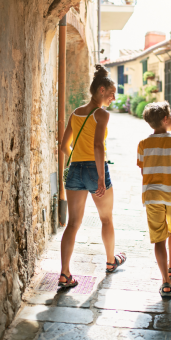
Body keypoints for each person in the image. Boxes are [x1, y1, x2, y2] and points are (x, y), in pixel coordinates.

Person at [58, 64, 127, 288]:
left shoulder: (75, 113)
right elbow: (98, 145)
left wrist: (76, 159)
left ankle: (65, 274)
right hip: (95, 169)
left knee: (72, 224)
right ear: (100, 90)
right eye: (111, 93)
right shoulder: (102, 114)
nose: (113, 97)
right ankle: (110, 261)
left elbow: (63, 146)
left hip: (76, 169)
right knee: (106, 219)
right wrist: (98, 177)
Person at [137, 101, 171, 298]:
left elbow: (144, 170)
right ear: (166, 119)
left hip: (152, 196)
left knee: (159, 238)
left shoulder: (143, 144)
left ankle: (165, 283)